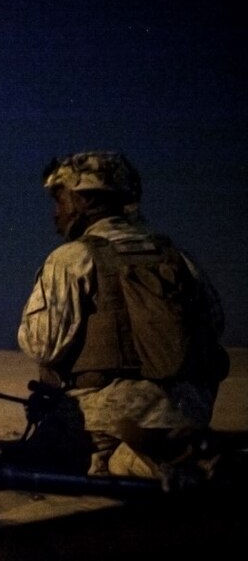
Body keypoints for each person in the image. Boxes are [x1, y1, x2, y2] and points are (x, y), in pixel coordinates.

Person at [14, 150, 229, 481]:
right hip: (186, 414)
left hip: (102, 421)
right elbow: (215, 326)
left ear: (85, 200)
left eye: (61, 199)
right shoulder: (179, 257)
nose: (56, 212)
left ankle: (139, 460)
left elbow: (41, 345)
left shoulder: (71, 259)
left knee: (31, 461)